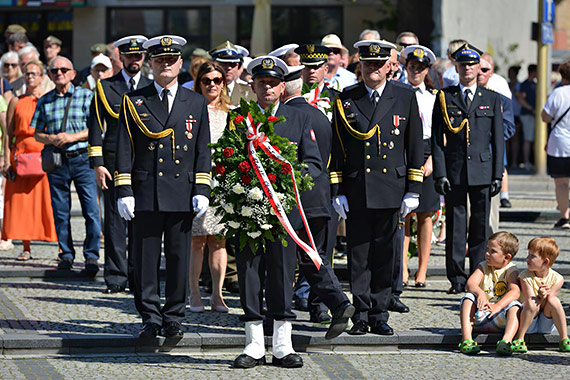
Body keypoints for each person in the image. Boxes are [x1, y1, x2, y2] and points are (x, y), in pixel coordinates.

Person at [114, 35, 211, 339]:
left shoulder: (194, 101)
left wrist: (202, 189)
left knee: (179, 257)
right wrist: (124, 190)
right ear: (151, 64)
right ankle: (150, 317)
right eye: (160, 60)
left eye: (171, 60)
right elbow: (124, 149)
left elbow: (202, 149)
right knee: (146, 258)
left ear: (180, 64)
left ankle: (174, 316)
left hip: (182, 191)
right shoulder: (135, 99)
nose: (165, 65)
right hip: (146, 191)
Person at [232, 56, 322, 369]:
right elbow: (227, 160)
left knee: (283, 275)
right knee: (250, 274)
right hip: (248, 212)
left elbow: (313, 164)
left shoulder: (299, 118)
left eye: (273, 83)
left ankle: (283, 345)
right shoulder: (241, 118)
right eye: (262, 83)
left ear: (282, 86)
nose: (267, 88)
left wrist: (285, 179)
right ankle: (254, 344)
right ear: (253, 86)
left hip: (285, 212)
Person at [330, 39, 424, 336]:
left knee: (386, 253)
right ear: (360, 65)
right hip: (357, 187)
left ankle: (380, 312)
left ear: (389, 66)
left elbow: (414, 144)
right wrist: (338, 189)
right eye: (367, 64)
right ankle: (360, 312)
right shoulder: (347, 97)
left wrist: (414, 189)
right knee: (358, 254)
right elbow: (338, 146)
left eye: (378, 64)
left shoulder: (404, 96)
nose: (372, 69)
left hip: (390, 186)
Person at [281, 64, 355, 335]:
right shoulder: (320, 115)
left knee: (292, 259)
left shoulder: (285, 116)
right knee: (315, 257)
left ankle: (280, 315)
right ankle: (337, 303)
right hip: (320, 198)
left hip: (295, 201)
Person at [431, 43, 504, 294]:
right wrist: (439, 173)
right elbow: (436, 141)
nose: (468, 69)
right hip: (455, 170)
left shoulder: (491, 98)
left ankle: (478, 274)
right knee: (455, 226)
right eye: (463, 65)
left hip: (482, 171)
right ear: (457, 67)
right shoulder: (445, 97)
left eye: (472, 65)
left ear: (478, 68)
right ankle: (457, 278)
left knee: (480, 228)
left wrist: (497, 174)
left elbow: (498, 141)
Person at [87, 35, 152, 294]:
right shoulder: (105, 87)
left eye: (138, 56)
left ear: (144, 58)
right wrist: (97, 164)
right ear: (120, 58)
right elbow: (94, 127)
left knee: (142, 221)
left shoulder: (151, 85)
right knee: (114, 222)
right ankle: (115, 277)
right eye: (129, 56)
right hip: (113, 162)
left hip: (144, 163)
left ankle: (138, 275)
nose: (134, 60)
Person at [31, 56, 101, 273]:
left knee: (91, 210)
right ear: (50, 75)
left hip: (82, 159)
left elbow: (97, 129)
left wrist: (72, 137)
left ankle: (91, 257)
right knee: (61, 212)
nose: (59, 73)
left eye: (63, 69)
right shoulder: (44, 100)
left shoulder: (86, 96)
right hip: (57, 161)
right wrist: (51, 139)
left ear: (72, 73)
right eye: (54, 70)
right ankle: (66, 255)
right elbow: (37, 133)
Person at [2, 60, 57, 260]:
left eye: (34, 73)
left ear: (42, 77)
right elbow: (9, 133)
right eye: (27, 74)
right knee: (22, 204)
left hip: (43, 156)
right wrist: (6, 159)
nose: (30, 77)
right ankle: (26, 247)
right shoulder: (17, 101)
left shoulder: (49, 99)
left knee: (49, 203)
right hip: (21, 157)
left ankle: (61, 248)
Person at [189, 61, 230, 313]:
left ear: (223, 83)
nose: (212, 85)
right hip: (196, 183)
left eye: (217, 80)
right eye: (207, 80)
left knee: (219, 241)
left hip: (223, 183)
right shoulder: (191, 109)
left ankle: (218, 295)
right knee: (196, 241)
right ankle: (194, 293)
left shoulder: (232, 112)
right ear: (199, 83)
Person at [399, 45, 439, 289]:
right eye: (412, 67)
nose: (415, 71)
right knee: (404, 214)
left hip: (427, 152)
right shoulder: (398, 93)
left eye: (420, 68)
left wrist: (432, 159)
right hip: (403, 152)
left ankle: (422, 271)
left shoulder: (434, 97)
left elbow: (440, 133)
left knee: (425, 215)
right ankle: (402, 268)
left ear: (427, 71)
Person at [458, 231, 521, 356]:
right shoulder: (483, 266)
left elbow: (515, 291)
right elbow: (470, 284)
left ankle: (506, 341)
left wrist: (498, 306)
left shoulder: (511, 270)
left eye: (493, 251)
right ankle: (466, 340)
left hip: (501, 318)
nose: (487, 254)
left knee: (515, 306)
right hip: (480, 315)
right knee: (468, 298)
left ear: (507, 257)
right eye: (487, 249)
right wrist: (480, 293)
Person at [477, 55, 515, 234]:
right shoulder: (458, 97)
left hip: (490, 158)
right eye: (477, 68)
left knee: (491, 211)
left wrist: (483, 132)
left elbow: (508, 129)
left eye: (484, 70)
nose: (480, 73)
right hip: (465, 160)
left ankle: (490, 245)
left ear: (491, 73)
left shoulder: (501, 100)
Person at [513, 237, 570, 353]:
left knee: (554, 301)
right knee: (533, 301)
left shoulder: (558, 279)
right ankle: (520, 338)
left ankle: (564, 339)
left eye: (532, 256)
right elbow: (530, 299)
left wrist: (544, 296)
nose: (527, 259)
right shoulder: (524, 276)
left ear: (545, 262)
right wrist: (539, 296)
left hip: (546, 322)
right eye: (528, 254)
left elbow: (550, 300)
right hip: (529, 321)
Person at [541, 61, 570, 229]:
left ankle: (565, 217)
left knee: (561, 183)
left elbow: (545, 116)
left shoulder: (558, 93)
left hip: (559, 143)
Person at [209, 41, 255, 107]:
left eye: (233, 64)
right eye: (224, 64)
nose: (229, 68)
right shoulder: (203, 91)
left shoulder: (251, 92)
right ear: (213, 64)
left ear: (238, 66)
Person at [518, 64, 537, 170]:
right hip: (527, 114)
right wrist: (531, 109)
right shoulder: (526, 84)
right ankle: (526, 161)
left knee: (532, 139)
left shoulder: (533, 84)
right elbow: (521, 99)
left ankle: (532, 161)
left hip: (532, 114)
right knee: (528, 139)